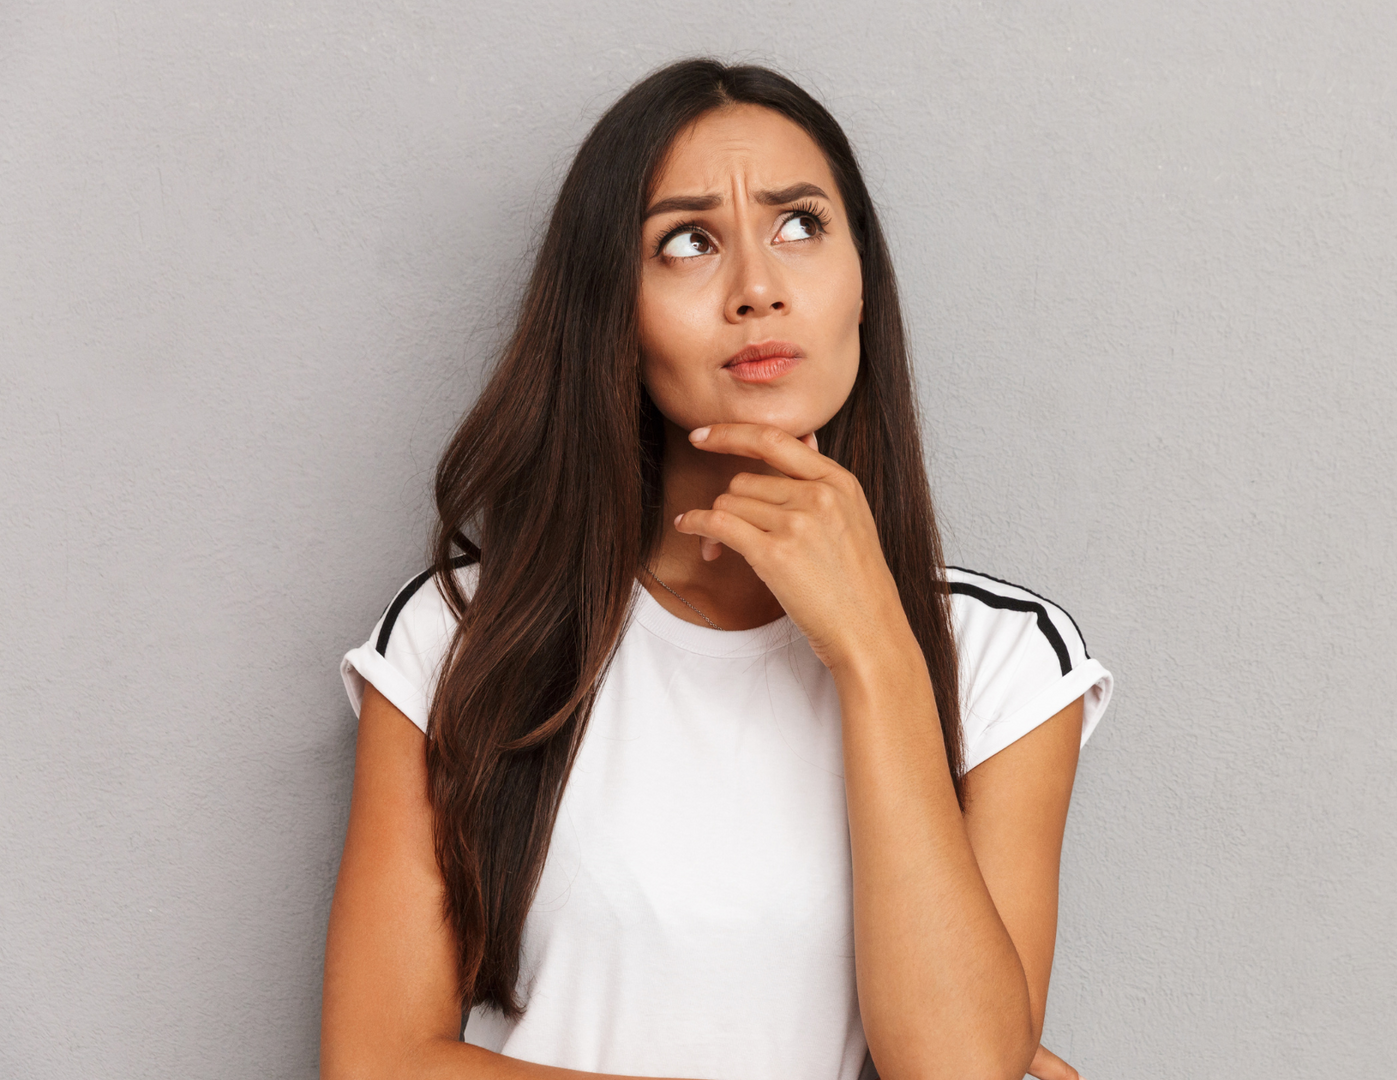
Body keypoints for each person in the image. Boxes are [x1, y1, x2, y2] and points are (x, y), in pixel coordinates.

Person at [320, 58, 1113, 1080]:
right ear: (614, 308)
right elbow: (376, 1065)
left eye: (800, 226)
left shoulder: (1009, 663)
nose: (757, 290)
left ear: (862, 281)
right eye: (689, 242)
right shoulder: (462, 638)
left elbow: (958, 1066)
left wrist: (874, 650)